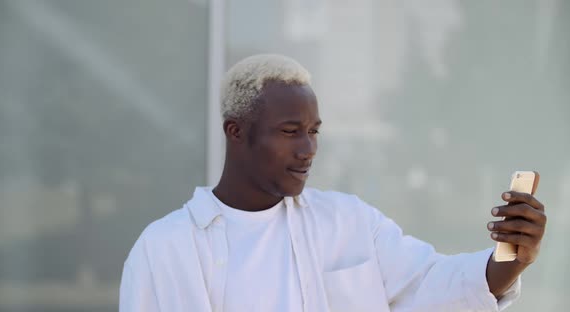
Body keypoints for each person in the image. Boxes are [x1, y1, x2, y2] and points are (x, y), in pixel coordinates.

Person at [119, 54, 547, 312]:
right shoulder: (164, 249)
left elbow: (431, 285)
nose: (308, 149)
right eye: (290, 131)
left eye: (314, 131)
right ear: (236, 132)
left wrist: (511, 259)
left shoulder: (349, 221)